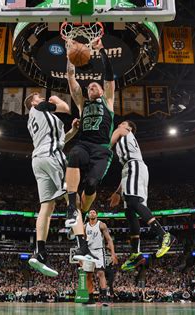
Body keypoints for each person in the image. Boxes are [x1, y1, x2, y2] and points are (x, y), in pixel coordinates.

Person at [64, 38, 116, 261]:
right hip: (84, 144)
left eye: (95, 86)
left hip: (101, 150)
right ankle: (70, 208)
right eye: (89, 86)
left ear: (102, 91)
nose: (91, 87)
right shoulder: (82, 104)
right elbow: (71, 78)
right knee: (73, 153)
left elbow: (109, 75)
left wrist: (101, 50)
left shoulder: (109, 101)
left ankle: (81, 212)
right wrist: (69, 53)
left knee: (92, 184)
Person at [23, 93, 81, 275]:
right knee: (72, 193)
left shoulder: (37, 118)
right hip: (51, 156)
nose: (44, 98)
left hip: (39, 160)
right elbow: (66, 108)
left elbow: (60, 140)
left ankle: (39, 252)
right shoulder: (39, 107)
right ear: (33, 102)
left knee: (46, 207)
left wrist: (73, 131)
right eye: (39, 96)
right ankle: (81, 244)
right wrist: (56, 99)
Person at [109, 121, 176, 271]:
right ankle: (136, 254)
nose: (120, 124)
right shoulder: (124, 143)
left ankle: (164, 235)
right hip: (129, 170)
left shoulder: (125, 132)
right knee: (130, 212)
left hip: (135, 167)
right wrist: (118, 192)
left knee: (133, 202)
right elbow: (126, 171)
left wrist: (103, 149)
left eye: (123, 123)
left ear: (129, 128)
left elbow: (116, 134)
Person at [82, 209, 118, 306]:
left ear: (97, 215)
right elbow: (83, 242)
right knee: (88, 275)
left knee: (101, 273)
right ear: (88, 215)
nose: (92, 213)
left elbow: (109, 240)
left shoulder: (101, 225)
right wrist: (81, 256)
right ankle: (90, 298)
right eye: (90, 212)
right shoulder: (85, 226)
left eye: (94, 212)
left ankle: (104, 297)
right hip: (88, 252)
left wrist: (113, 253)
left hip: (99, 251)